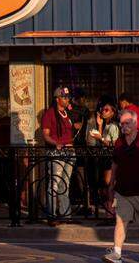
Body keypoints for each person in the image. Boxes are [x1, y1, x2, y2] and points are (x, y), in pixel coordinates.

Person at [103, 109, 139, 263]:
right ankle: (116, 253)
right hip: (123, 190)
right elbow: (115, 165)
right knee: (120, 222)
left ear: (135, 123)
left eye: (127, 123)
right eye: (121, 123)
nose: (124, 126)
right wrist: (111, 185)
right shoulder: (119, 142)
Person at [41, 86, 77, 224]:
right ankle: (51, 215)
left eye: (68, 97)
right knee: (54, 183)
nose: (67, 99)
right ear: (57, 99)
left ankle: (65, 215)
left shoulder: (68, 113)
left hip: (69, 150)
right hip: (57, 151)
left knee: (65, 183)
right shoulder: (50, 114)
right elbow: (45, 135)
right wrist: (56, 143)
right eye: (64, 97)